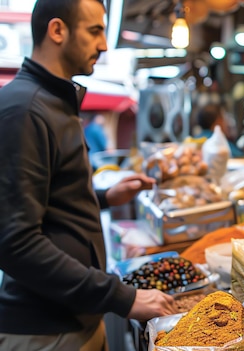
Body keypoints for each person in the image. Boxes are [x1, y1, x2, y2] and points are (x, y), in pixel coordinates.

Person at [0, 0, 176, 350]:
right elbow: (14, 242)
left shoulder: (54, 101)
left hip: (72, 321)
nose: (104, 44)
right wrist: (122, 297)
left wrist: (103, 197)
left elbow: (46, 199)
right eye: (95, 30)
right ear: (57, 30)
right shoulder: (25, 109)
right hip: (46, 332)